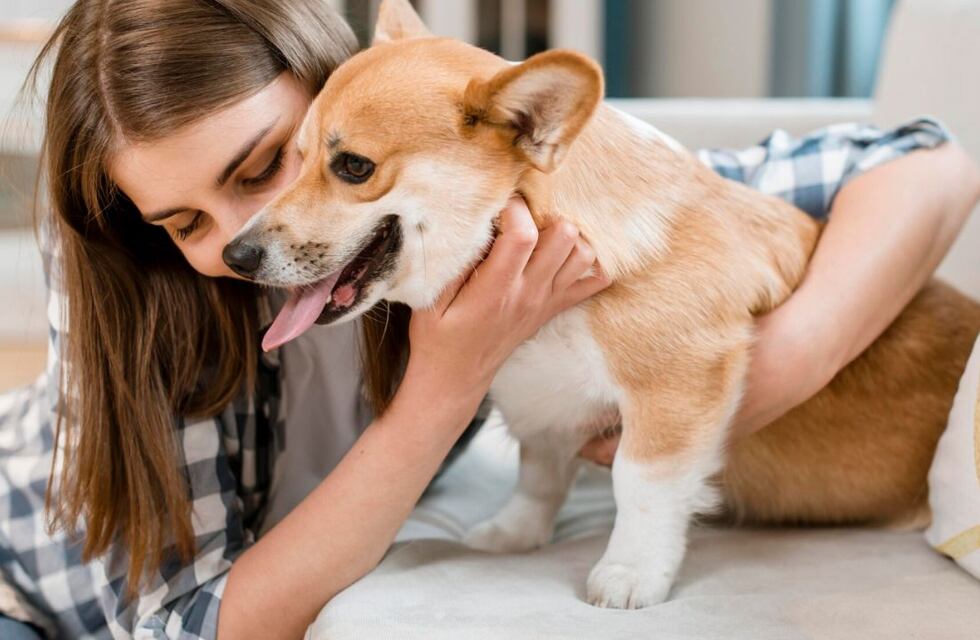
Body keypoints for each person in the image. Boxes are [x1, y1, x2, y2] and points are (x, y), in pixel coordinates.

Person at [0, 1, 977, 638]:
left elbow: (926, 162)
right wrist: (445, 377)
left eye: (268, 165)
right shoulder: (161, 306)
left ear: (330, 85)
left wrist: (775, 372)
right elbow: (185, 622)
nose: (236, 245)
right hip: (32, 586)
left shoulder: (489, 186)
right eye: (180, 221)